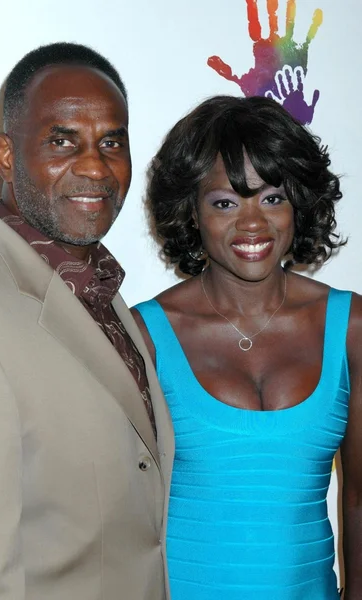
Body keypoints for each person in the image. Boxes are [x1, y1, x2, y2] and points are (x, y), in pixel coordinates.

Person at [0, 42, 173, 600]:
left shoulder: (102, 292)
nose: (94, 167)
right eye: (62, 141)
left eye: (112, 142)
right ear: (6, 157)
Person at [132, 95, 362, 599]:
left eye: (272, 198)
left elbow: (360, 501)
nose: (253, 224)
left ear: (299, 202)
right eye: (225, 203)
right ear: (191, 213)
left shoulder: (351, 328)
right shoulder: (144, 337)